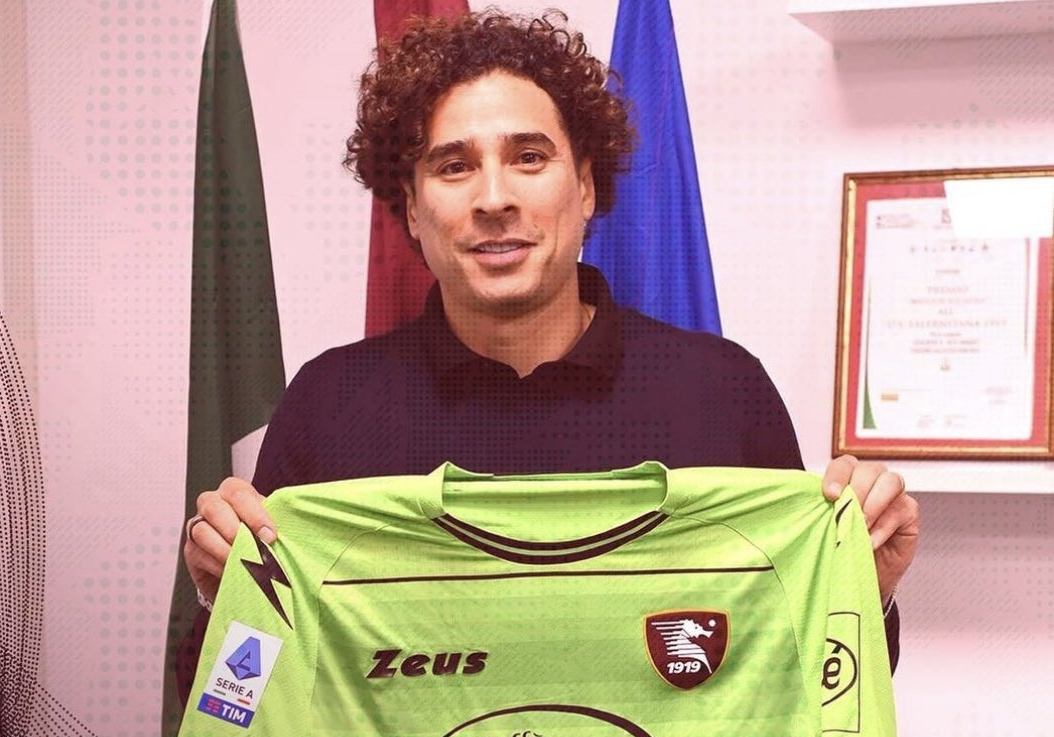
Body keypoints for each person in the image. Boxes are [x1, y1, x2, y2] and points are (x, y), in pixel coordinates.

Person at [178, 8, 919, 698]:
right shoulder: (330, 404)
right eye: (453, 166)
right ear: (411, 206)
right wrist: (226, 597)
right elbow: (236, 696)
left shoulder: (721, 391)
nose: (494, 198)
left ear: (586, 185)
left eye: (528, 157)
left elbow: (806, 678)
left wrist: (867, 587)